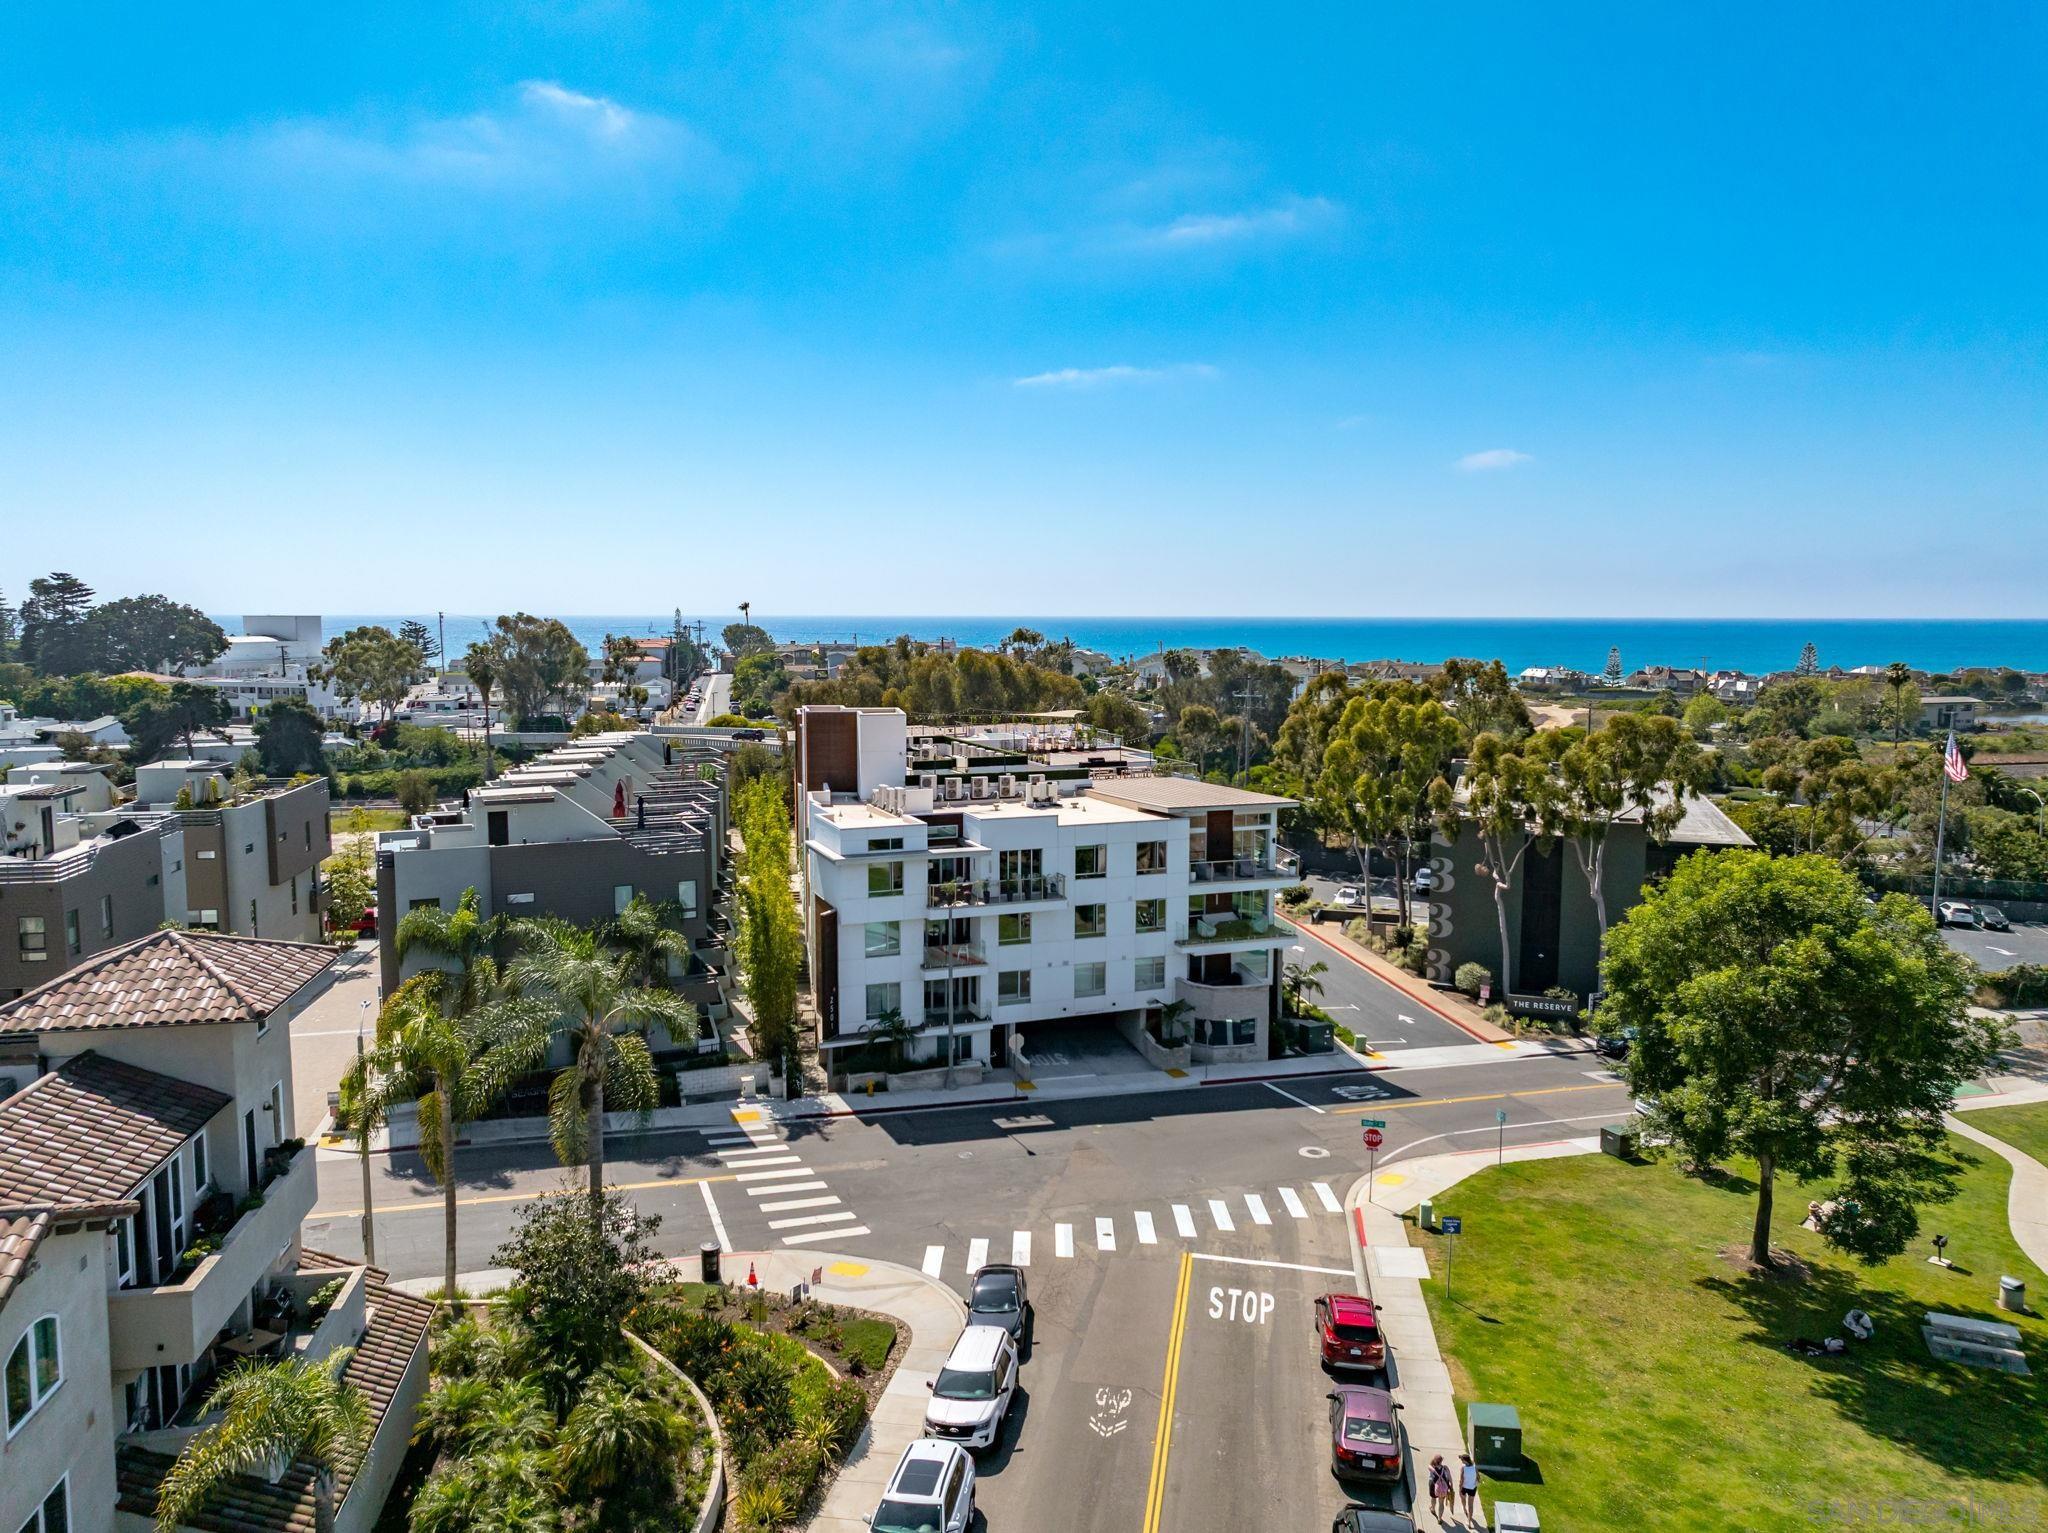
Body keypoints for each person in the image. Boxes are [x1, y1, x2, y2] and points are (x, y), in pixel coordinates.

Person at [1427, 1454, 1454, 1520]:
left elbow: (1429, 1466)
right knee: (1441, 1503)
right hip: (1444, 1487)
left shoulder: (1431, 1467)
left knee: (1433, 1498)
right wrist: (1451, 1486)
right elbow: (1450, 1478)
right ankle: (1439, 1518)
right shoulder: (1445, 1468)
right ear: (1441, 1461)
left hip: (1433, 1485)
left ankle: (1433, 1509)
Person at [1459, 1453, 1479, 1519]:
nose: (1461, 1461)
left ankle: (1464, 1508)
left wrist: (1459, 1489)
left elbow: (1461, 1480)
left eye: (1462, 1460)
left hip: (1464, 1487)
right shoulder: (1474, 1466)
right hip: (1473, 1488)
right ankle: (1469, 1521)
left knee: (1463, 1498)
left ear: (1465, 1460)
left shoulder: (1463, 1468)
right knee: (1470, 1505)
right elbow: (1478, 1477)